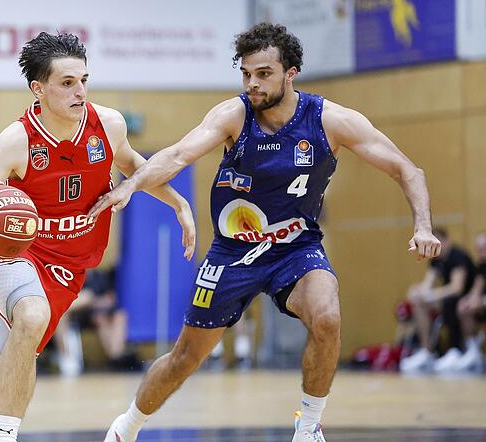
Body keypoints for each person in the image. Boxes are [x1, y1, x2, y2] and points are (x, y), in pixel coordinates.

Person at [89, 23, 440, 442]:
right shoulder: (233, 115)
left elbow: (408, 169)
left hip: (296, 248)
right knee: (185, 358)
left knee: (327, 316)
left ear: (291, 72)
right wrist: (132, 182)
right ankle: (126, 427)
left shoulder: (330, 121)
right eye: (246, 74)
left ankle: (308, 428)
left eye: (264, 73)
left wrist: (422, 224)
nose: (252, 83)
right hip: (232, 252)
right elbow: (180, 154)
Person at [0, 31, 195, 442]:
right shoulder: (16, 141)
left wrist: (178, 203)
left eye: (83, 80)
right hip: (18, 256)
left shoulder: (108, 125)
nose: (80, 91)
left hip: (68, 270)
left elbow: (136, 166)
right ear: (37, 89)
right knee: (32, 314)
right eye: (67, 83)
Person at [400, 228, 476, 373]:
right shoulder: (436, 260)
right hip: (450, 300)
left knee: (452, 302)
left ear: (446, 242)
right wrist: (418, 292)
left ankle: (456, 350)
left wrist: (431, 294)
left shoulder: (457, 256)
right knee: (419, 303)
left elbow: (456, 288)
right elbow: (427, 285)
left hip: (465, 299)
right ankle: (426, 351)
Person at [454, 231, 486, 372]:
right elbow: (477, 289)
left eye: (483, 248)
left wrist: (481, 301)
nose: (480, 252)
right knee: (463, 306)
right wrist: (469, 300)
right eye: (478, 249)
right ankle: (473, 351)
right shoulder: (481, 266)